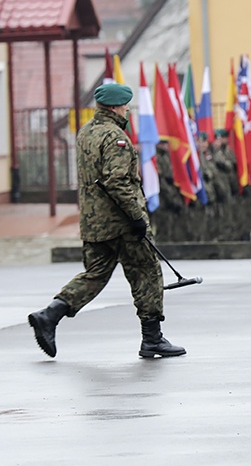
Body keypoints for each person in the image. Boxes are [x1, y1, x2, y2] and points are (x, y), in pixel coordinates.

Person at [27, 83, 186, 359]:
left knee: (96, 273)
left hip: (93, 221)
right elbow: (117, 181)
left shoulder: (86, 132)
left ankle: (50, 315)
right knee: (146, 271)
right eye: (124, 105)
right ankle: (152, 339)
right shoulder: (116, 137)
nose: (126, 110)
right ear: (114, 107)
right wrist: (136, 217)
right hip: (121, 222)